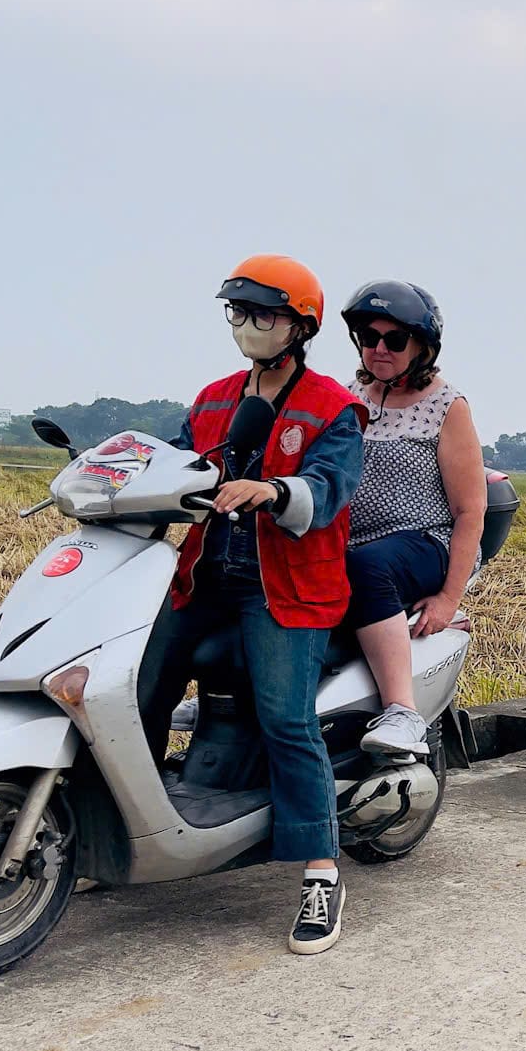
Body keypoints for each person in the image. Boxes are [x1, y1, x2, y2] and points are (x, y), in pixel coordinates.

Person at [139, 255, 364, 955]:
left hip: (286, 587)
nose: (247, 324)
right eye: (238, 311)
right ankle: (127, 828)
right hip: (202, 576)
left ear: (301, 326)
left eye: (263, 313)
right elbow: (174, 464)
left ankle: (322, 869)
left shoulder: (332, 407)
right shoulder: (213, 398)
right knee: (137, 690)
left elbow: (331, 486)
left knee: (285, 718)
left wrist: (275, 490)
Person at [338, 280, 487, 757]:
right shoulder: (348, 396)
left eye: (395, 340)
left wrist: (447, 599)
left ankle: (402, 711)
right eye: (369, 337)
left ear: (422, 348)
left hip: (425, 539)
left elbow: (470, 510)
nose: (379, 348)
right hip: (351, 540)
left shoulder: (447, 406)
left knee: (367, 566)